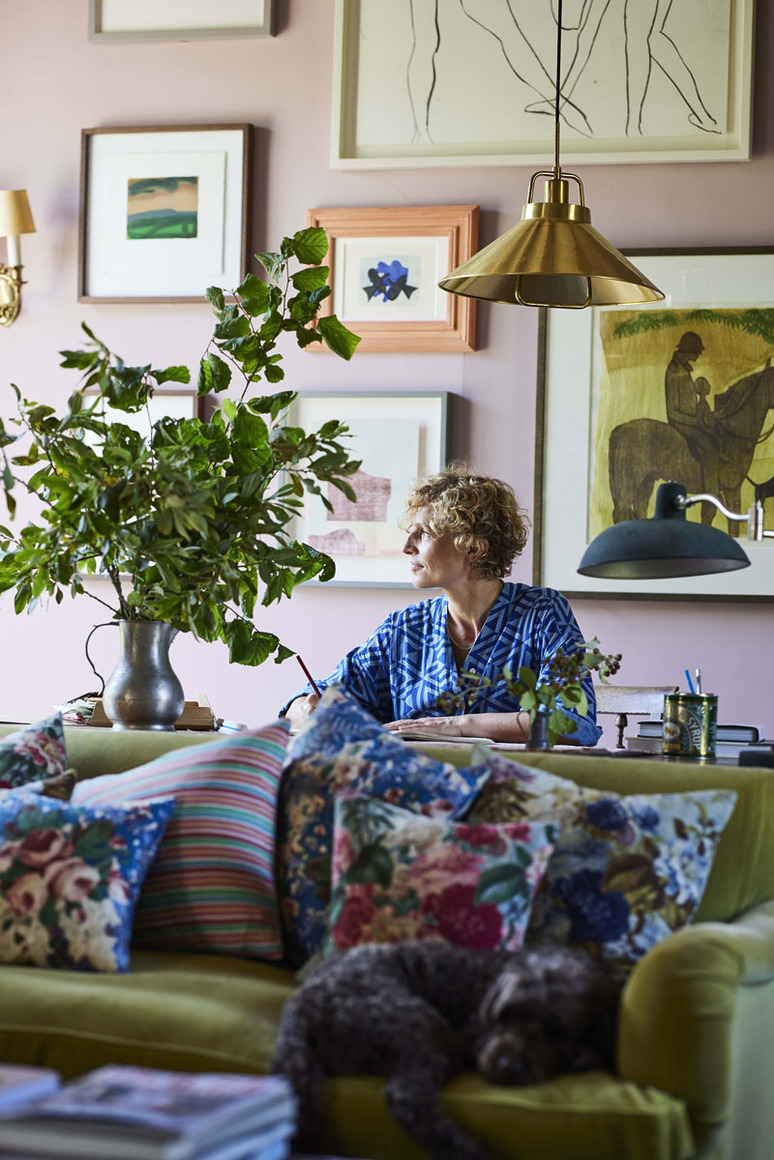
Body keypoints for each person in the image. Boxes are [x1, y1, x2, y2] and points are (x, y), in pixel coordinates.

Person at [282, 466, 601, 747]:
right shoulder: (404, 628)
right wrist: (309, 710)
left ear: (473, 546)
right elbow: (305, 703)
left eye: (423, 535)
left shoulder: (543, 612)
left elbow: (569, 722)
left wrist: (453, 726)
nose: (407, 547)